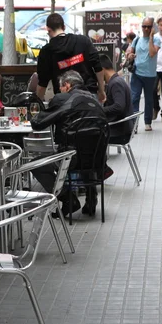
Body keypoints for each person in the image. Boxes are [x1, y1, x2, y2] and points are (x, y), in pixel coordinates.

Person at [31, 70, 106, 216]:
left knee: (37, 165)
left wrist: (35, 115)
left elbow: (38, 124)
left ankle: (68, 199)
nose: (60, 91)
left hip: (70, 160)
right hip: (98, 161)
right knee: (86, 145)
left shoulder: (62, 99)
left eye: (60, 88)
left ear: (67, 85)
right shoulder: (95, 100)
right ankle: (91, 198)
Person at [35, 13, 106, 103]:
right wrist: (101, 90)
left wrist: (38, 104)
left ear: (48, 30)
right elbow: (98, 68)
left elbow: (42, 83)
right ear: (64, 27)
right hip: (89, 95)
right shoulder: (83, 41)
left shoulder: (46, 51)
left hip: (63, 101)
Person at [125, 16, 161, 131]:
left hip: (150, 75)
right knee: (134, 98)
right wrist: (129, 56)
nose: (146, 29)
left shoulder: (156, 40)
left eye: (148, 27)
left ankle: (147, 122)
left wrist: (150, 37)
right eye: (144, 26)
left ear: (153, 27)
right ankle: (134, 124)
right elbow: (130, 53)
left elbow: (152, 53)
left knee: (149, 99)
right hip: (137, 73)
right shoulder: (136, 40)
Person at [101, 55, 133, 145]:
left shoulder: (115, 83)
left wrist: (100, 110)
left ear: (102, 69)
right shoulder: (116, 81)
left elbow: (119, 107)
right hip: (121, 129)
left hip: (119, 132)